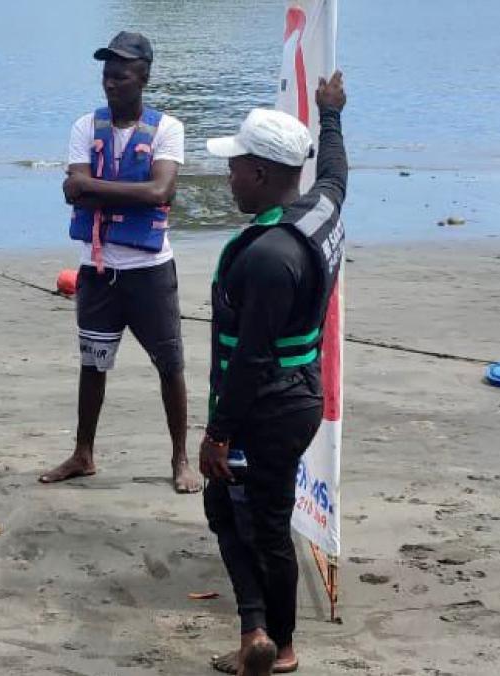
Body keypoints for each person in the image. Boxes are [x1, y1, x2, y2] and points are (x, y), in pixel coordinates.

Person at [198, 73, 349, 676]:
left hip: (264, 404)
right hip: (300, 396)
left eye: (236, 165)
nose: (229, 175)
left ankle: (274, 642)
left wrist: (217, 434)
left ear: (261, 174)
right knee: (255, 511)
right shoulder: (322, 209)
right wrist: (330, 113)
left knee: (250, 519)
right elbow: (337, 170)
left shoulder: (266, 257)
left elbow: (251, 358)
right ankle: (261, 633)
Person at [40, 31, 200, 493]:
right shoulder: (85, 127)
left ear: (143, 76)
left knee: (169, 365)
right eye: (107, 73)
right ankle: (83, 453)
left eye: (121, 74)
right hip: (98, 269)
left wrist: (93, 188)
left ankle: (180, 459)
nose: (111, 82)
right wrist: (123, 192)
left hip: (150, 273)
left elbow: (160, 192)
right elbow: (77, 186)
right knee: (93, 363)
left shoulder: (167, 128)